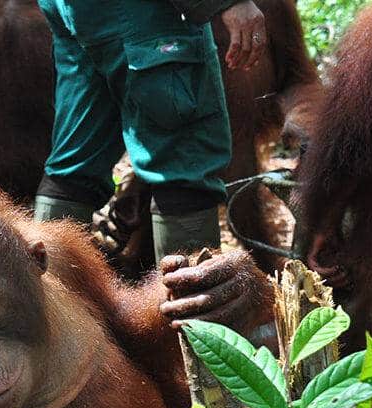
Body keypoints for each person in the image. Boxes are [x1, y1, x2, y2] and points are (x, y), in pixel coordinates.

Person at [33, 0, 266, 260]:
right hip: (142, 11)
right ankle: (191, 295)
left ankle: (46, 293)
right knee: (184, 161)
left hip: (74, 10)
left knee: (75, 165)